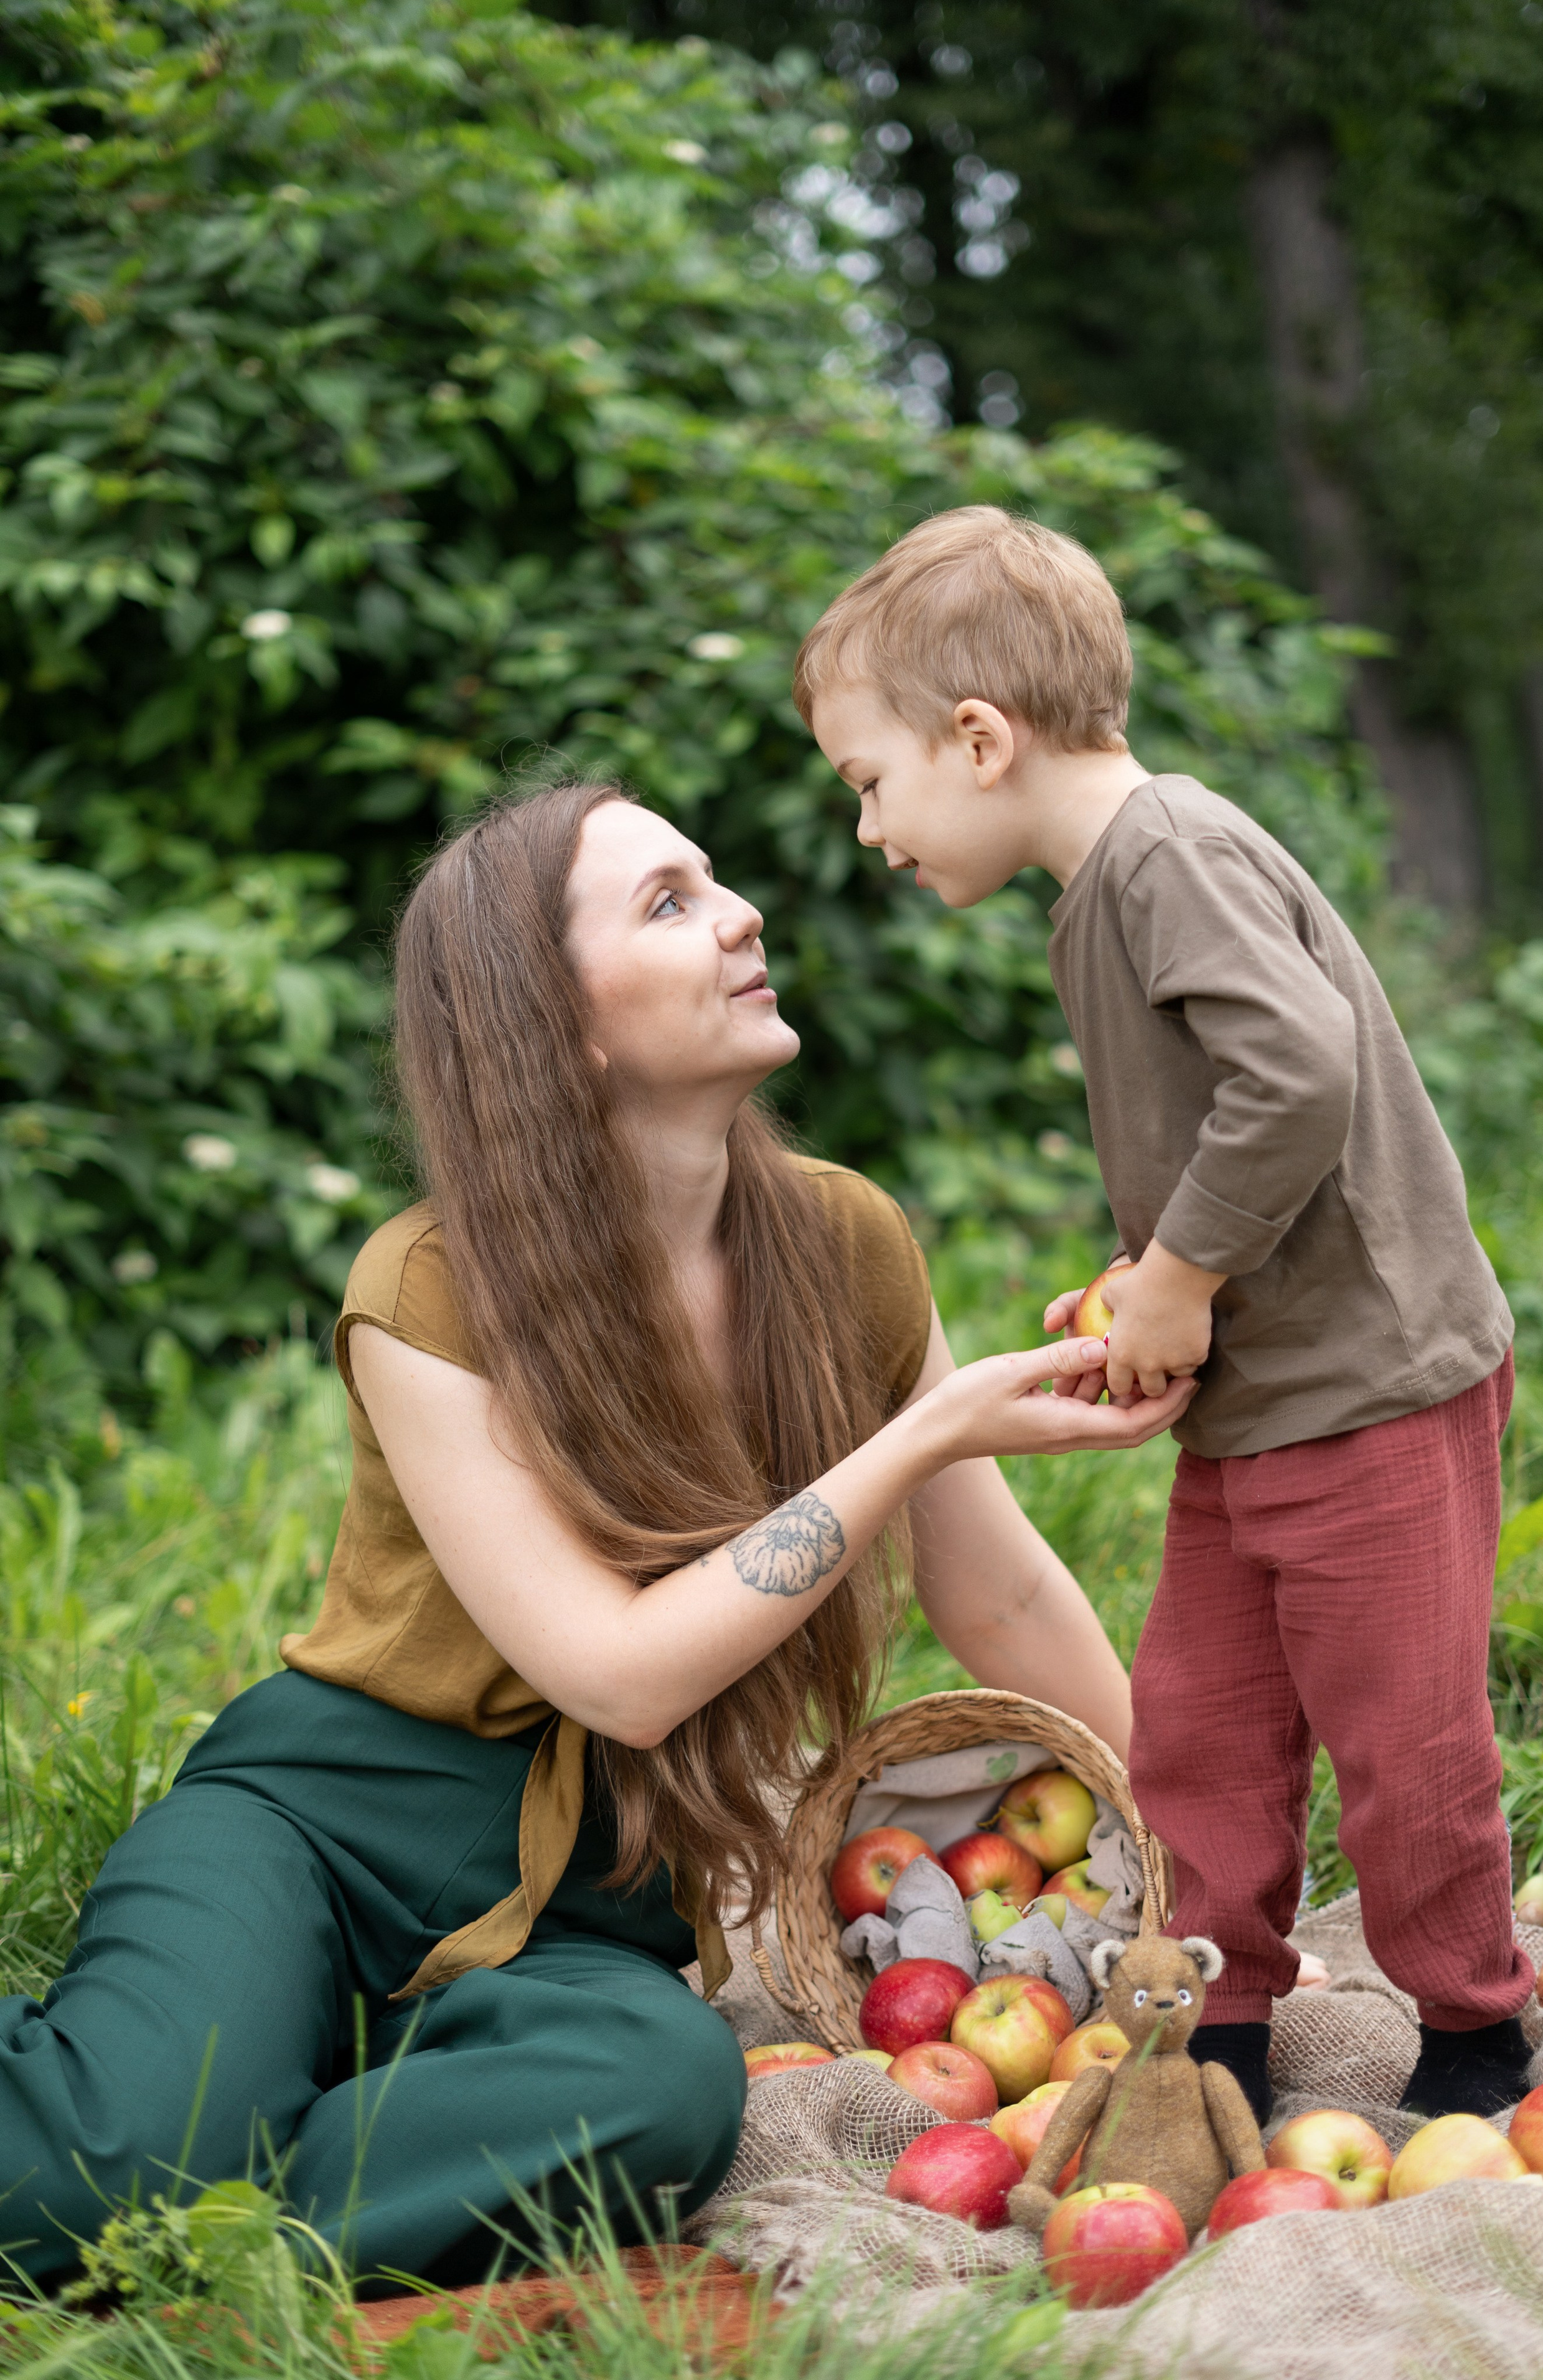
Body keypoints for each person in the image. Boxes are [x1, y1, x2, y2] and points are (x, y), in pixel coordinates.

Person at [0, 781, 1190, 2292]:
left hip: (595, 1896)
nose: (743, 910)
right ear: (560, 1030)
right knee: (93, 2166)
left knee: (661, 2092)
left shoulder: (844, 1247)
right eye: (668, 902)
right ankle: (165, 2171)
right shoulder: (430, 1286)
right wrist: (921, 1432)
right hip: (319, 1822)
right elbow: (618, 1679)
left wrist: (1182, 1839)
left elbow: (998, 1591)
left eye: (713, 876)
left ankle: (200, 2215)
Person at [798, 504, 1529, 2127]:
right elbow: (1233, 1135)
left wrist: (1189, 1277)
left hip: (1374, 1396)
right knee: (1197, 1734)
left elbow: (1301, 1070)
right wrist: (1147, 1284)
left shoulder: (1167, 852)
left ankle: (1481, 2027)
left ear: (977, 740)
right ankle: (1222, 2029)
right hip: (1263, 1404)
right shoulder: (1112, 889)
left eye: (870, 782)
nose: (870, 832)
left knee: (1406, 1749)